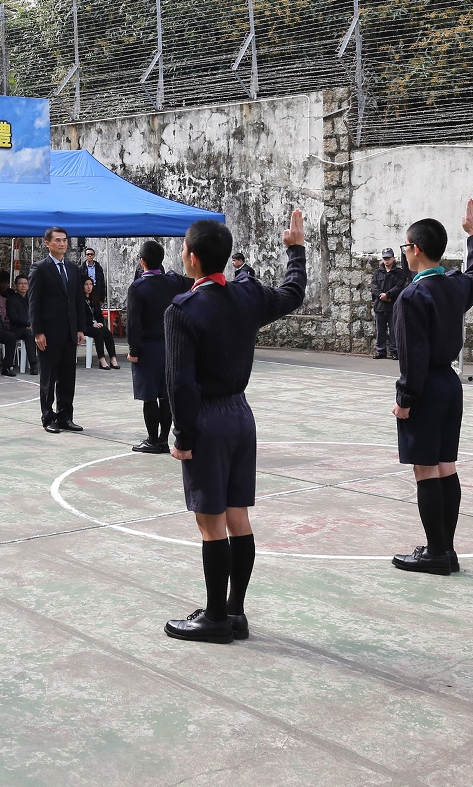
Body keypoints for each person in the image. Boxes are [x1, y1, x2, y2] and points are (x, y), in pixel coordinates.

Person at [162, 211, 307, 644]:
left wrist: (183, 435)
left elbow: (179, 383)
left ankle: (214, 618)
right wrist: (295, 249)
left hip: (208, 419)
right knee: (237, 517)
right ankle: (235, 611)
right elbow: (293, 292)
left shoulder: (183, 309)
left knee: (210, 524)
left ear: (190, 258)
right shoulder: (247, 296)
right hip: (242, 416)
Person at [390, 202, 473, 575]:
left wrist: (405, 399)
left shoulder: (413, 296)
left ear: (414, 249)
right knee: (446, 466)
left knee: (425, 469)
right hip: (450, 383)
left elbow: (413, 355)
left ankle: (435, 552)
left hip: (427, 386)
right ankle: (446, 550)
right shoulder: (453, 285)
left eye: (405, 246)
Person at [126, 240, 191, 453]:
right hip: (170, 344)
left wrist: (133, 350)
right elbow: (189, 280)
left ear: (142, 261)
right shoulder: (172, 282)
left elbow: (134, 323)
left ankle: (153, 439)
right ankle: (163, 438)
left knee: (149, 395)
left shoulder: (138, 287)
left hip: (148, 346)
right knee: (165, 394)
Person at [29, 227, 88, 433]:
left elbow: (77, 301)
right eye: (57, 240)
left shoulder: (73, 268)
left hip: (70, 332)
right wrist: (38, 331)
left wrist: (80, 328)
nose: (62, 244)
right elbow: (34, 303)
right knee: (48, 377)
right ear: (47, 243)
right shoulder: (40, 269)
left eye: (64, 240)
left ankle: (66, 416)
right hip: (49, 332)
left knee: (67, 376)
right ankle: (48, 417)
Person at [371, 248, 411, 359]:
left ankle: (395, 351)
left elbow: (400, 286)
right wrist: (381, 296)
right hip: (380, 306)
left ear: (393, 258)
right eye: (385, 258)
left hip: (393, 305)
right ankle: (381, 351)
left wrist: (388, 295)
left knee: (394, 330)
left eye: (388, 258)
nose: (387, 260)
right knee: (380, 330)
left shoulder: (399, 273)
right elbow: (374, 286)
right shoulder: (377, 272)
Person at [83, 277, 120, 369]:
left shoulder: (94, 299)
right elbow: (81, 317)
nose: (89, 287)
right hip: (85, 325)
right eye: (86, 284)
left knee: (107, 333)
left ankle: (113, 358)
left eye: (90, 284)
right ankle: (101, 359)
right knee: (98, 333)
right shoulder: (80, 300)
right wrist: (92, 324)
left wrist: (100, 322)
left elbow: (99, 314)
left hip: (96, 324)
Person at [4, 274, 38, 375]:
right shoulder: (11, 300)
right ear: (15, 286)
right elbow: (13, 317)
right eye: (20, 284)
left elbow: (36, 313)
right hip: (17, 328)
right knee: (29, 334)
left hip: (30, 326)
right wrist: (28, 323)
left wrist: (33, 323)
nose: (23, 286)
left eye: (25, 284)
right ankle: (33, 364)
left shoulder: (31, 299)